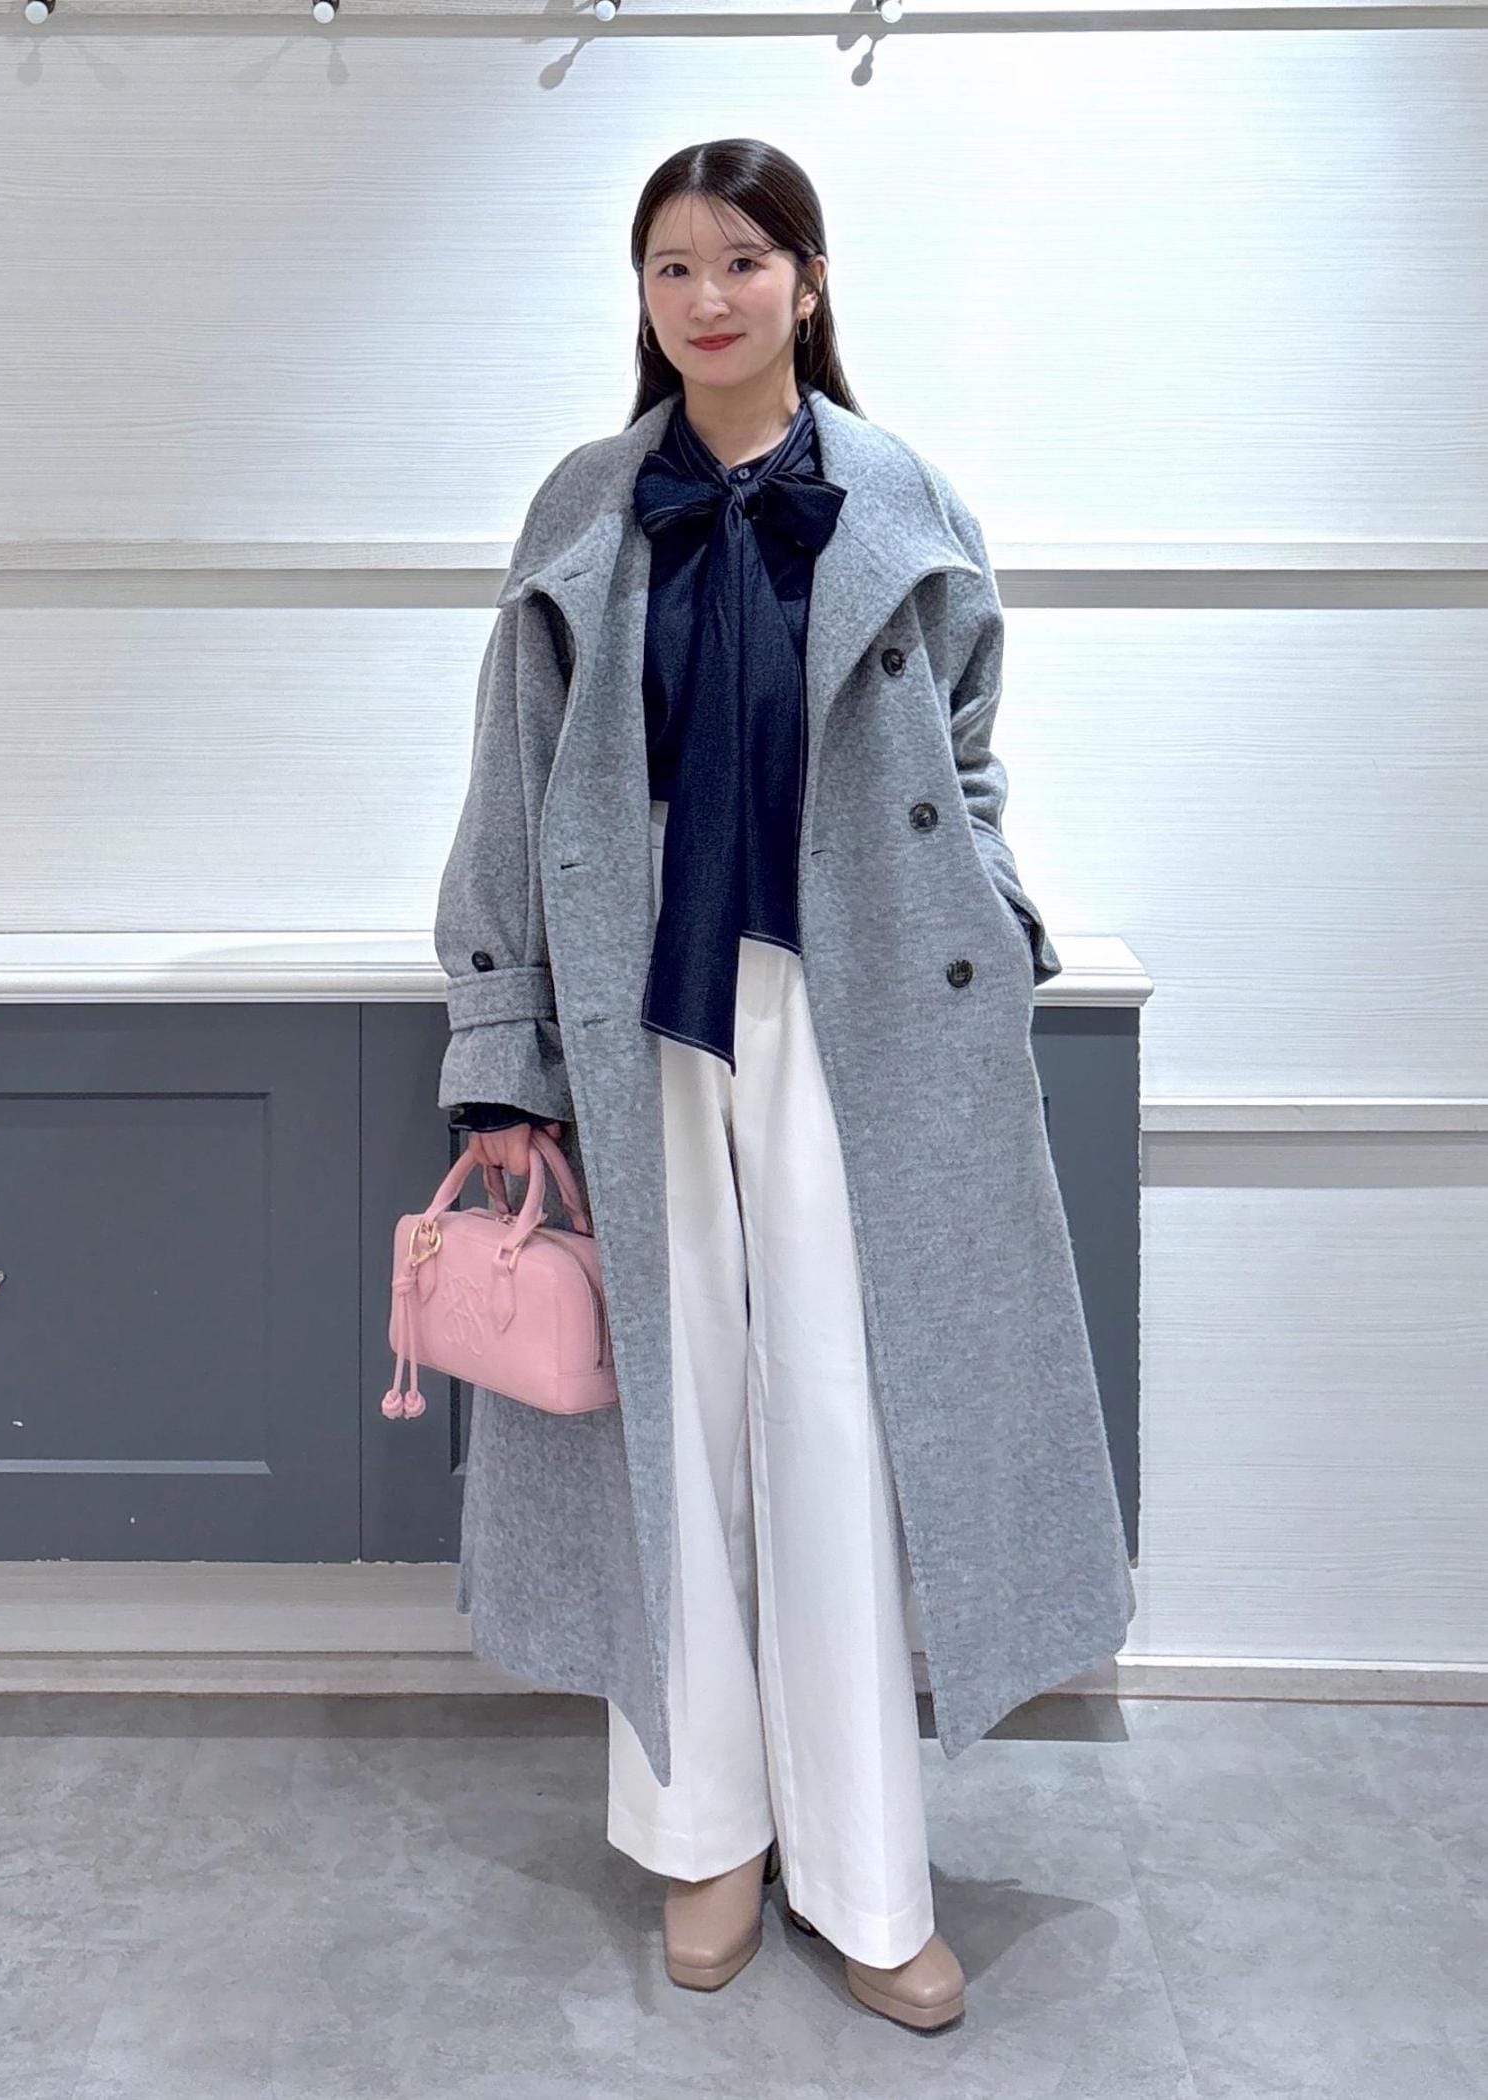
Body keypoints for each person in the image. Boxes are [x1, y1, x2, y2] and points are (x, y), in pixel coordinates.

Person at [435, 138, 1135, 2036]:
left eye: (743, 261)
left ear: (808, 281)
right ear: (643, 297)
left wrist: (993, 908)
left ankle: (867, 1872)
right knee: (672, 1416)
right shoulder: (589, 505)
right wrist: (502, 1045)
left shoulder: (898, 493)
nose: (708, 298)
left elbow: (969, 751)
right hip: (639, 993)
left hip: (858, 1000)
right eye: (673, 267)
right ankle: (706, 1840)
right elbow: (509, 780)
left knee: (832, 1412)